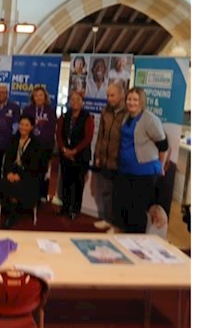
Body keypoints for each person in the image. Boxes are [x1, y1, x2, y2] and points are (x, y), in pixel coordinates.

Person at [114, 87, 168, 234]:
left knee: (136, 212)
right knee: (124, 209)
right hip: (126, 170)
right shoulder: (127, 117)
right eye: (129, 99)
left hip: (144, 173)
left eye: (135, 100)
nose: (132, 102)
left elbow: (163, 144)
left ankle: (136, 241)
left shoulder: (149, 119)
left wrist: (161, 165)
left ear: (142, 101)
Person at [91, 83, 127, 231]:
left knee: (119, 195)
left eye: (112, 95)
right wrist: (97, 155)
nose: (109, 98)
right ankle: (107, 220)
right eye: (108, 95)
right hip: (105, 160)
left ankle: (117, 225)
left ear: (121, 95)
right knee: (106, 192)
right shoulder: (105, 111)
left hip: (121, 161)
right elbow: (101, 135)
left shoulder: (128, 113)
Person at [0, 115, 44, 229]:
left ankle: (12, 216)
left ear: (31, 127)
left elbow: (35, 165)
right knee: (7, 182)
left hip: (28, 175)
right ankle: (10, 211)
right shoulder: (13, 140)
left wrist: (20, 175)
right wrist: (9, 173)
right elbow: (8, 160)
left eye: (26, 125)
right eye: (21, 124)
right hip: (12, 172)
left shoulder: (35, 144)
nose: (23, 127)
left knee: (17, 185)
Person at [56, 92, 94, 220]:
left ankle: (75, 210)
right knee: (65, 182)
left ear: (82, 102)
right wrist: (64, 149)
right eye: (72, 99)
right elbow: (58, 134)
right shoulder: (64, 116)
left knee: (78, 184)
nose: (75, 102)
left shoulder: (88, 117)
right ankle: (65, 207)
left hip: (80, 156)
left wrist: (74, 151)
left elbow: (88, 138)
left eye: (78, 99)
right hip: (65, 155)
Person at [21, 87, 57, 202]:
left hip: (45, 147)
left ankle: (39, 197)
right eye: (36, 95)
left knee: (41, 173)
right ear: (33, 97)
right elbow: (23, 126)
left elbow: (52, 129)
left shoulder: (50, 111)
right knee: (28, 171)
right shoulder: (27, 110)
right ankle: (27, 196)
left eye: (41, 95)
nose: (38, 98)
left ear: (45, 97)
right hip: (29, 146)